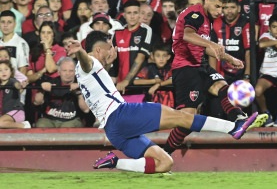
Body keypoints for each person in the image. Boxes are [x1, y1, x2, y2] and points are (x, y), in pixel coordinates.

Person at [67, 30, 266, 173]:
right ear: (100, 49)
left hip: (113, 130)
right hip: (122, 115)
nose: (114, 51)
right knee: (182, 117)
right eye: (110, 48)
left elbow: (92, 65)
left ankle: (114, 162)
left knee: (164, 163)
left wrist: (93, 57)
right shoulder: (89, 63)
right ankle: (234, 127)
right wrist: (80, 52)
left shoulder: (88, 70)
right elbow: (88, 61)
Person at [163, 0, 267, 155]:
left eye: (223, 7)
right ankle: (163, 155)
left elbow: (203, 47)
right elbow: (187, 35)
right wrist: (211, 43)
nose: (220, 11)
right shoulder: (195, 14)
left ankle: (238, 119)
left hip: (199, 64)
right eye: (217, 6)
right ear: (207, 0)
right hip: (185, 68)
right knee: (186, 121)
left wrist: (230, 58)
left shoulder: (207, 18)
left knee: (222, 86)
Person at [33, 57, 89, 128]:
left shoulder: (81, 84)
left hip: (71, 120)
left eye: (71, 71)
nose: (67, 73)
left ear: (75, 72)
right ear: (59, 72)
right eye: (64, 70)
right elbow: (37, 102)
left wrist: (78, 92)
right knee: (41, 125)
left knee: (67, 127)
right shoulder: (51, 82)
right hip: (49, 119)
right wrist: (42, 90)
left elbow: (86, 110)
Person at [112, 0, 152, 92]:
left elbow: (140, 57)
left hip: (139, 86)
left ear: (139, 15)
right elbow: (113, 60)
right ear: (124, 15)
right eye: (129, 13)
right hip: (119, 86)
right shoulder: (118, 32)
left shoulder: (145, 30)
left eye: (135, 13)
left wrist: (127, 80)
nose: (132, 16)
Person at [134, 43, 174, 107]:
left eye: (164, 56)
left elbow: (173, 79)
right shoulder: (148, 68)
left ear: (168, 57)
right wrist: (154, 81)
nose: (161, 59)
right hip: (151, 104)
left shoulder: (171, 68)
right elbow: (136, 81)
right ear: (152, 56)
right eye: (158, 56)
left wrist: (158, 85)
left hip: (168, 105)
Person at [0, 60, 30, 129]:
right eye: (0, 70)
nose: (3, 72)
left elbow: (17, 85)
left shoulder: (12, 81)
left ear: (11, 71)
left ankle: (24, 125)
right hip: (5, 115)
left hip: (16, 112)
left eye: (6, 69)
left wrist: (21, 85)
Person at [0, 10, 29, 76]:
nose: (5, 25)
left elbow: (23, 69)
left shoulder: (21, 43)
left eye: (9, 22)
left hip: (12, 84)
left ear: (15, 24)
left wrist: (16, 84)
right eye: (2, 22)